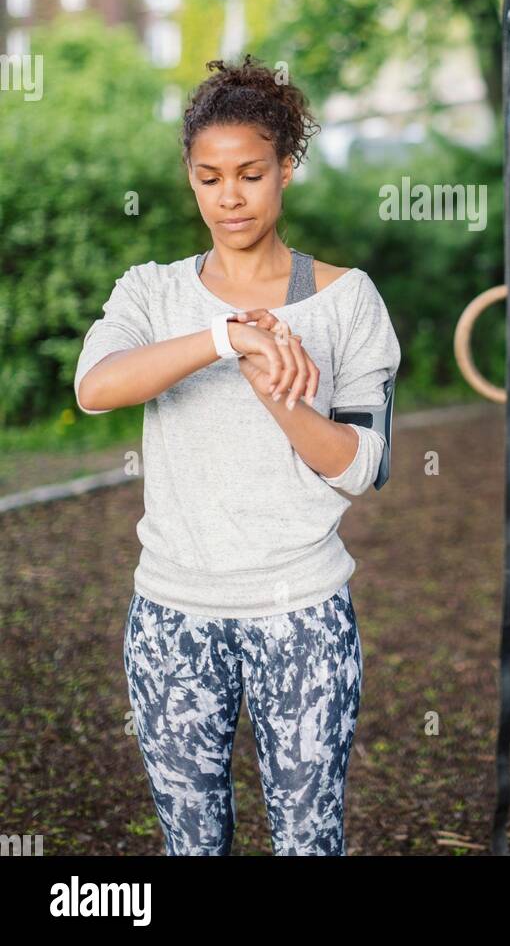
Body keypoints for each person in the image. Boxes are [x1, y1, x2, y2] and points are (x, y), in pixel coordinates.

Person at [73, 54, 401, 856]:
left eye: (250, 174)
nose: (229, 197)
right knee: (191, 845)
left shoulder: (346, 298)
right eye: (209, 177)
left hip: (303, 616)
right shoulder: (150, 293)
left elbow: (362, 466)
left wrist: (278, 392)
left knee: (307, 841)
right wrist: (225, 337)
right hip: (171, 616)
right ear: (189, 176)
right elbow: (95, 387)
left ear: (286, 168)